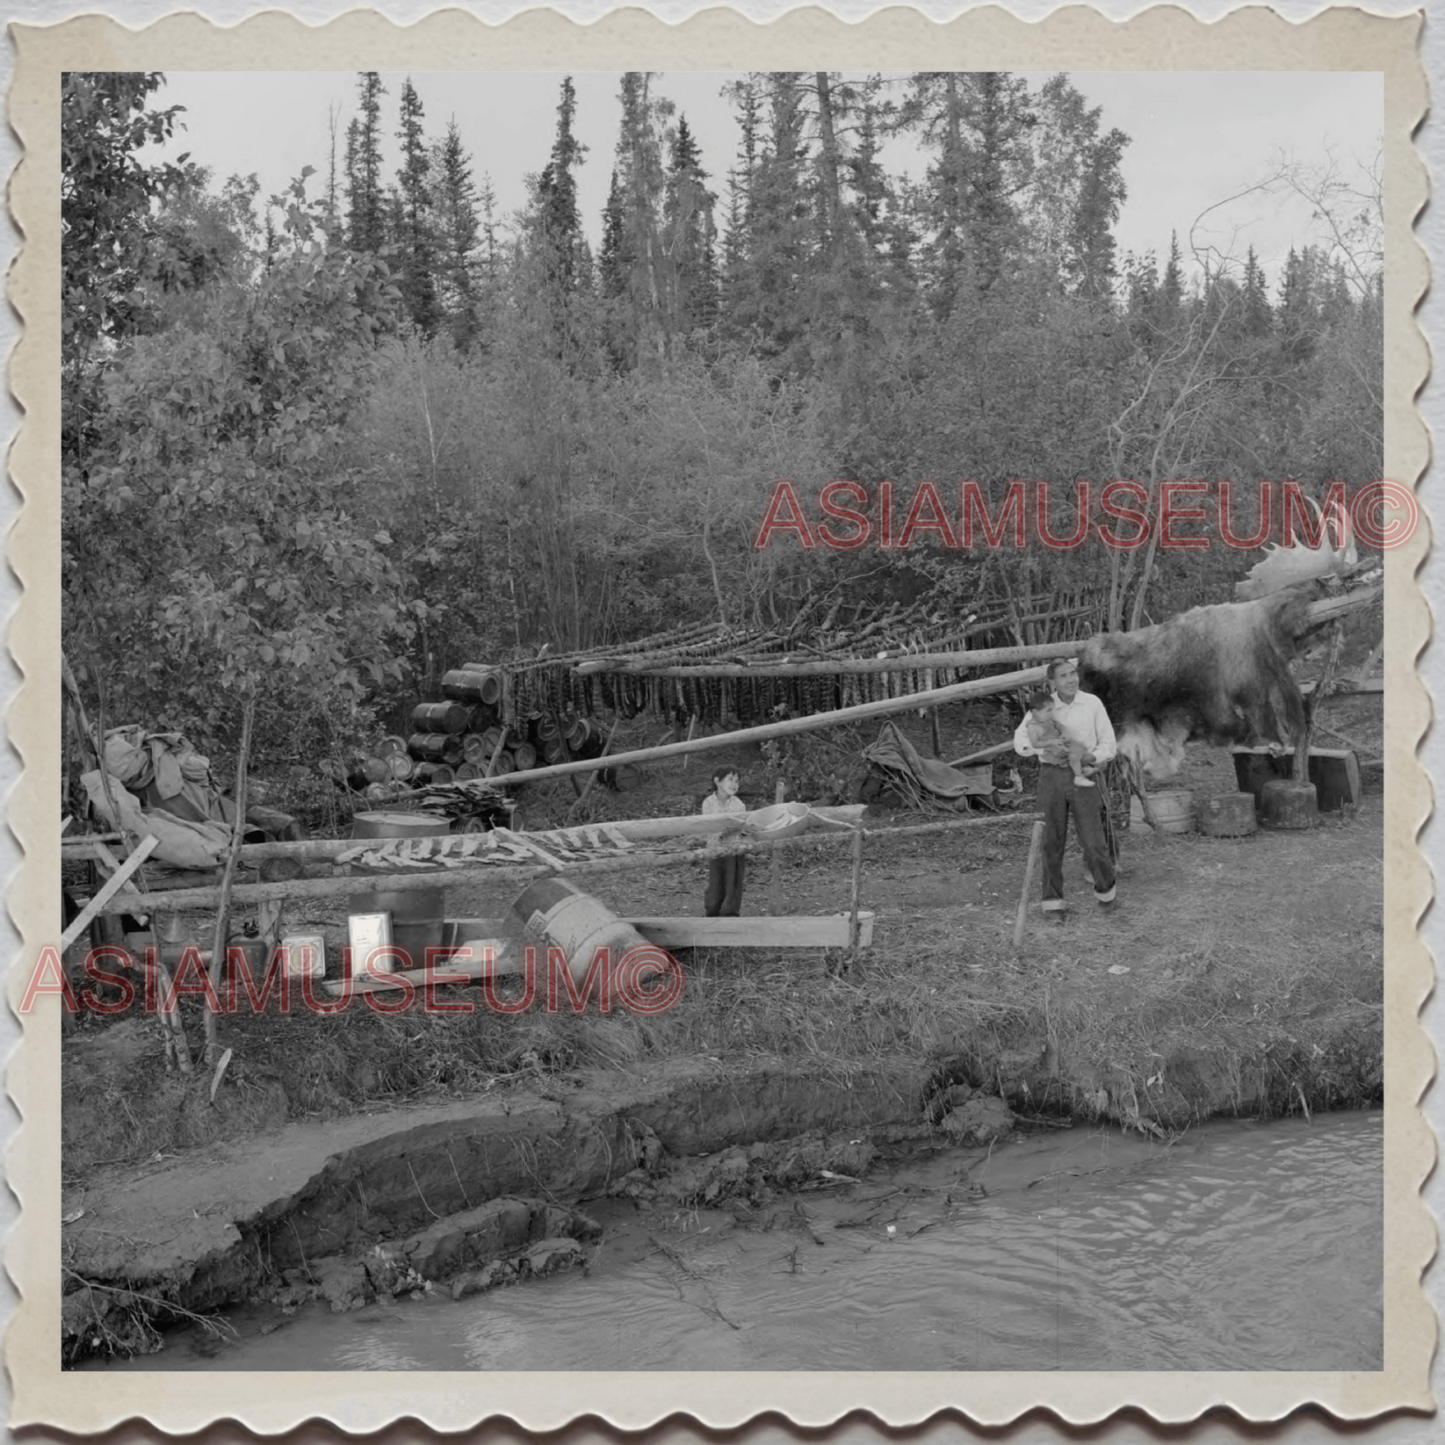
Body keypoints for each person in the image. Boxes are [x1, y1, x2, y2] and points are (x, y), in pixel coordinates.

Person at [1013, 660, 1118, 912]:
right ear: (1052, 683)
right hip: (1051, 777)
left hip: (1084, 774)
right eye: (1063, 676)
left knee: (1094, 840)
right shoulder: (1043, 707)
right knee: (1051, 839)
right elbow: (1021, 743)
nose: (1071, 680)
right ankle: (1052, 902)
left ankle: (1106, 896)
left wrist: (1089, 758)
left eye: (1073, 674)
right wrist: (1046, 746)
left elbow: (1109, 744)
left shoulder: (1092, 703)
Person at [1023, 687, 1095, 787]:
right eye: (1048, 710)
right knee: (1072, 754)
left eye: (1053, 709)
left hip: (1059, 742)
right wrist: (1051, 743)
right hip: (1051, 750)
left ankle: (1082, 767)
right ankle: (1079, 776)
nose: (1052, 713)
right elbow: (1035, 744)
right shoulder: (1033, 727)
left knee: (1079, 745)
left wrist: (1065, 733)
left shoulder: (1048, 719)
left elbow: (1060, 726)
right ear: (1035, 712)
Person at [701, 766, 746, 917]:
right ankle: (712, 911)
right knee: (715, 883)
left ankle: (730, 913)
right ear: (717, 781)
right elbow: (708, 824)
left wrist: (729, 830)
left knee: (732, 882)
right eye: (730, 780)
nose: (734, 784)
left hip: (734, 849)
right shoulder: (708, 802)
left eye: (737, 781)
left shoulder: (738, 804)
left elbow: (739, 825)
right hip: (714, 850)